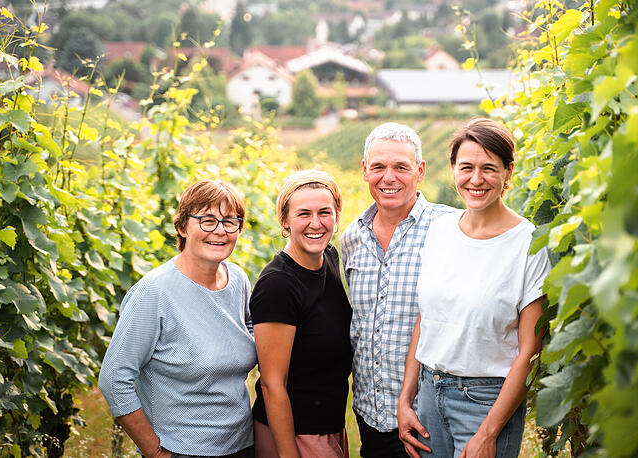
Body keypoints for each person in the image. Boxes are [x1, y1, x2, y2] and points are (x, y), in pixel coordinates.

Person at [397, 117, 552, 458]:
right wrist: (406, 401)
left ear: (508, 172)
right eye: (466, 167)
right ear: (453, 169)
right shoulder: (439, 231)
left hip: (486, 403)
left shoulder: (529, 244)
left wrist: (488, 432)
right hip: (429, 396)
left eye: (489, 168)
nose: (476, 179)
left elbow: (530, 352)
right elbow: (427, 319)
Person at [99, 180, 256, 458]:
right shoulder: (155, 291)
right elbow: (114, 378)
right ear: (183, 227)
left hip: (243, 445)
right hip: (182, 450)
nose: (220, 231)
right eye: (207, 220)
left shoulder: (239, 281)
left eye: (230, 221)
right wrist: (155, 452)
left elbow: (251, 336)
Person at [341, 123, 456, 458]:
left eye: (401, 167)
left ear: (419, 171)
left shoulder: (449, 229)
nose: (388, 177)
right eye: (378, 167)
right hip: (369, 415)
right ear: (364, 171)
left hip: (430, 418)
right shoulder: (351, 238)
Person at [250, 170, 353, 458]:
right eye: (303, 214)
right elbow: (272, 385)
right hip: (295, 434)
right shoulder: (278, 286)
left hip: (327, 426)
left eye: (325, 212)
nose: (316, 223)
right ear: (285, 220)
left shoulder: (329, 259)